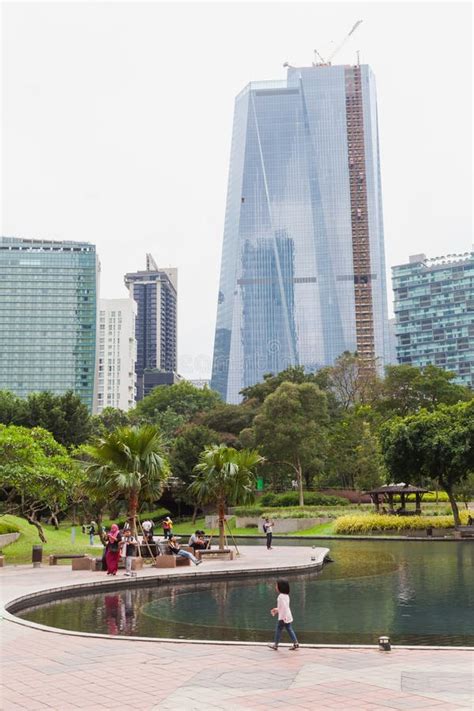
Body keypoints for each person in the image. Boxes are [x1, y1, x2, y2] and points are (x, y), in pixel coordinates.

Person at [268, 579, 299, 651]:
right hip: (288, 615)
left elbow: (284, 607)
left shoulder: (280, 596)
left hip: (283, 617)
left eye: (276, 585)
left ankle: (275, 645)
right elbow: (283, 607)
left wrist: (283, 617)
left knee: (278, 629)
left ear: (280, 587)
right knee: (289, 629)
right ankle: (296, 643)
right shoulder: (286, 596)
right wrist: (276, 610)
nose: (275, 587)